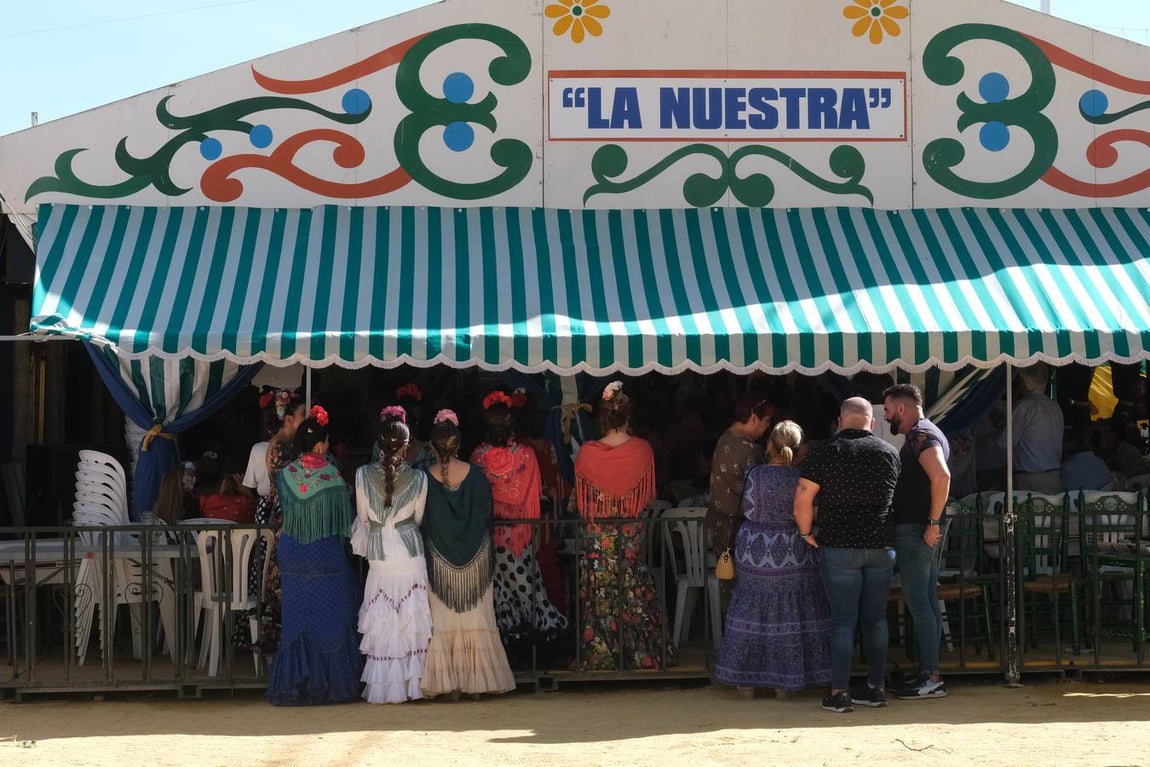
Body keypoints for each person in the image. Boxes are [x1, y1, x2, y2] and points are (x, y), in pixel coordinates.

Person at [794, 396, 900, 714]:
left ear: (841, 420)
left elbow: (803, 499)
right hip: (881, 546)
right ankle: (875, 688)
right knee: (876, 620)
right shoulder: (890, 452)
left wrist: (805, 531)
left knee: (842, 622)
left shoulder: (823, 452)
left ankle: (839, 692)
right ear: (871, 422)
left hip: (839, 546)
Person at [714, 421, 831, 697]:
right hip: (794, 550)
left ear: (769, 445)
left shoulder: (755, 474)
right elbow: (810, 512)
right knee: (793, 610)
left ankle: (746, 683)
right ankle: (785, 684)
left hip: (755, 549)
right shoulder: (802, 477)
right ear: (799, 447)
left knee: (751, 610)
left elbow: (748, 508)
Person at [265, 406, 362, 705]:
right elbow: (344, 525)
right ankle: (333, 683)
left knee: (296, 622)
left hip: (292, 554)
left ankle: (296, 682)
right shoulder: (333, 477)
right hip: (324, 556)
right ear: (321, 445)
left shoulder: (284, 476)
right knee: (342, 611)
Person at [420, 409, 516, 700]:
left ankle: (450, 685)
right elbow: (486, 516)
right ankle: (478, 684)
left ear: (432, 448)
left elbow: (421, 519)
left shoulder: (424, 479)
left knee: (445, 622)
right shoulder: (477, 477)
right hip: (477, 560)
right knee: (478, 619)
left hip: (439, 562)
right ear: (459, 446)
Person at [573, 381, 669, 671]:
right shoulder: (642, 450)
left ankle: (601, 654)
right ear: (628, 416)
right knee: (632, 589)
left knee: (599, 593)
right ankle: (641, 653)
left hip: (597, 542)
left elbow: (580, 503)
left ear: (602, 417)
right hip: (629, 538)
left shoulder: (588, 453)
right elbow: (649, 498)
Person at [471, 391, 568, 667]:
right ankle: (545, 645)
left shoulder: (478, 457)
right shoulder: (525, 455)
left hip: (493, 537)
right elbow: (533, 502)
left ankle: (518, 651)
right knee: (529, 589)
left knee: (503, 593)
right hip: (520, 537)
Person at [350, 405, 432, 704]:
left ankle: (385, 688)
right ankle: (413, 685)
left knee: (383, 617)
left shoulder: (361, 475)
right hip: (409, 550)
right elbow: (419, 519)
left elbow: (362, 515)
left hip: (379, 552)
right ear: (408, 447)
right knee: (410, 618)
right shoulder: (420, 479)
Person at [882, 384, 952, 700]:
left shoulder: (921, 435)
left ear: (901, 409)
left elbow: (942, 476)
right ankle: (929, 672)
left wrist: (932, 522)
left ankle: (931, 676)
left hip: (917, 530)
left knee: (919, 601)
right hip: (921, 528)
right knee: (926, 599)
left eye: (887, 410)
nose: (885, 416)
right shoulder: (926, 432)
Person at [248, 389, 306, 653]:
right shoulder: (282, 447)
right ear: (289, 418)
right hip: (286, 520)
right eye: (302, 415)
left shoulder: (283, 445)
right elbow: (287, 490)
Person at [707, 391, 772, 614]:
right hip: (740, 530)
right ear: (753, 417)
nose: (766, 428)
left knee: (730, 589)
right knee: (746, 590)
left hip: (720, 526)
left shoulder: (725, 438)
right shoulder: (749, 449)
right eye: (765, 421)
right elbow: (760, 492)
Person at [998, 364, 1063, 493]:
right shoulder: (1054, 406)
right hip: (1053, 476)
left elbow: (1004, 441)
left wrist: (999, 423)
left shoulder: (1024, 406)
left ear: (1023, 383)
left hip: (1029, 478)